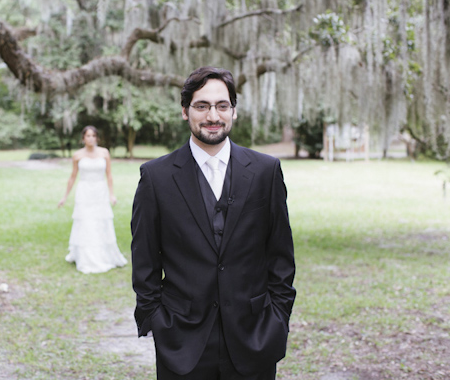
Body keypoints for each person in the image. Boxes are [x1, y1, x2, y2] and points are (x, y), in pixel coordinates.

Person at [130, 67, 296, 379]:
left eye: (222, 106)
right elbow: (145, 259)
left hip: (254, 334)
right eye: (202, 106)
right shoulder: (156, 177)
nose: (213, 116)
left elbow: (281, 255)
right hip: (182, 339)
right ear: (185, 111)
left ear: (233, 111)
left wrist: (278, 316)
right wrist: (155, 319)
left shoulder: (265, 171)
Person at [58, 125, 127, 274]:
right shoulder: (77, 155)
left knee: (101, 221)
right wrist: (64, 197)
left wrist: (112, 194)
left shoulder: (104, 153)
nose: (91, 138)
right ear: (83, 138)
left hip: (100, 192)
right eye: (88, 136)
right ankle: (85, 256)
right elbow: (72, 176)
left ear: (97, 138)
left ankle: (103, 255)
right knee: (86, 222)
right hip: (84, 192)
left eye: (93, 136)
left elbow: (109, 174)